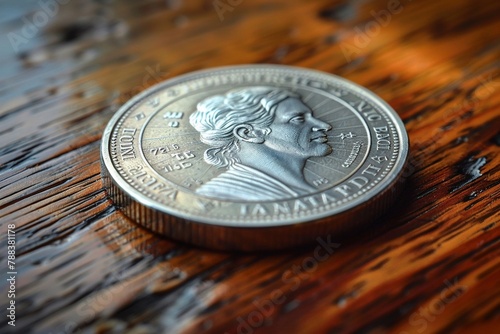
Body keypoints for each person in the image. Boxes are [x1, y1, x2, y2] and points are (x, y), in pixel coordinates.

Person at [189, 87, 332, 201]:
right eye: (298, 119)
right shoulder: (221, 195)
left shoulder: (300, 188)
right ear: (249, 133)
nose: (324, 126)